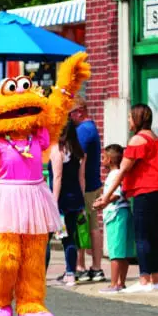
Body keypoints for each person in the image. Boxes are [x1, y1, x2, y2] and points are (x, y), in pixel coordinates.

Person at [95, 104, 158, 293]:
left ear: (137, 119)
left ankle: (144, 280)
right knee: (153, 236)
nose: (129, 121)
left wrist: (105, 197)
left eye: (130, 117)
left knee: (142, 237)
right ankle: (156, 280)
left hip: (146, 191)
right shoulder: (152, 137)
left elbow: (122, 170)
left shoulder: (137, 140)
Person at [72, 97, 105, 283]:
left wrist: (78, 187)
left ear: (80, 111)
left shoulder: (83, 130)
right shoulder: (90, 128)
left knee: (82, 226)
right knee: (91, 226)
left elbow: (80, 162)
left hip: (85, 187)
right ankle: (96, 268)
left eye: (71, 114)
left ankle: (81, 267)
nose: (70, 118)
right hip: (92, 184)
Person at [50, 118, 86, 287]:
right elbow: (82, 179)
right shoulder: (79, 152)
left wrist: (53, 202)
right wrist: (82, 202)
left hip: (61, 200)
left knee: (45, 239)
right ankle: (70, 272)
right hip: (75, 199)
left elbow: (57, 178)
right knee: (69, 237)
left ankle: (39, 274)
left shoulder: (58, 151)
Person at [98, 144, 135, 293]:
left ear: (110, 160)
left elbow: (116, 194)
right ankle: (121, 282)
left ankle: (114, 284)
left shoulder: (115, 174)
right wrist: (102, 199)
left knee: (115, 251)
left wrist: (103, 202)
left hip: (116, 214)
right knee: (124, 251)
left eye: (104, 158)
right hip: (123, 212)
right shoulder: (119, 173)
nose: (102, 160)